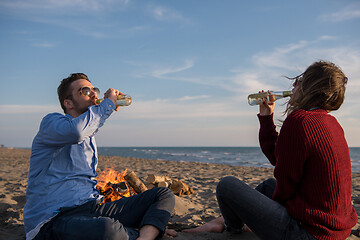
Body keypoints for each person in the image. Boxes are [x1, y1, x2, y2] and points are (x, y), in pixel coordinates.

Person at [183, 61, 358, 239]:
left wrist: (263, 215)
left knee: (226, 186)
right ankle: (220, 222)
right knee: (267, 186)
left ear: (309, 86)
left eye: (299, 80)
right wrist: (267, 117)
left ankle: (234, 230)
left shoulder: (300, 121)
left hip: (309, 233)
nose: (293, 85)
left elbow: (285, 182)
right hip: (336, 230)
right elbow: (280, 157)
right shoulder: (332, 123)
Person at [24, 73, 176, 240]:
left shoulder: (89, 135)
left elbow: (85, 129)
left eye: (94, 89)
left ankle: (142, 237)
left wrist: (104, 108)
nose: (94, 94)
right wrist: (108, 104)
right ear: (68, 103)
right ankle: (146, 232)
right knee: (107, 229)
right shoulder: (52, 122)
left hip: (90, 209)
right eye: (85, 91)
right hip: (54, 219)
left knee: (162, 194)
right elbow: (76, 132)